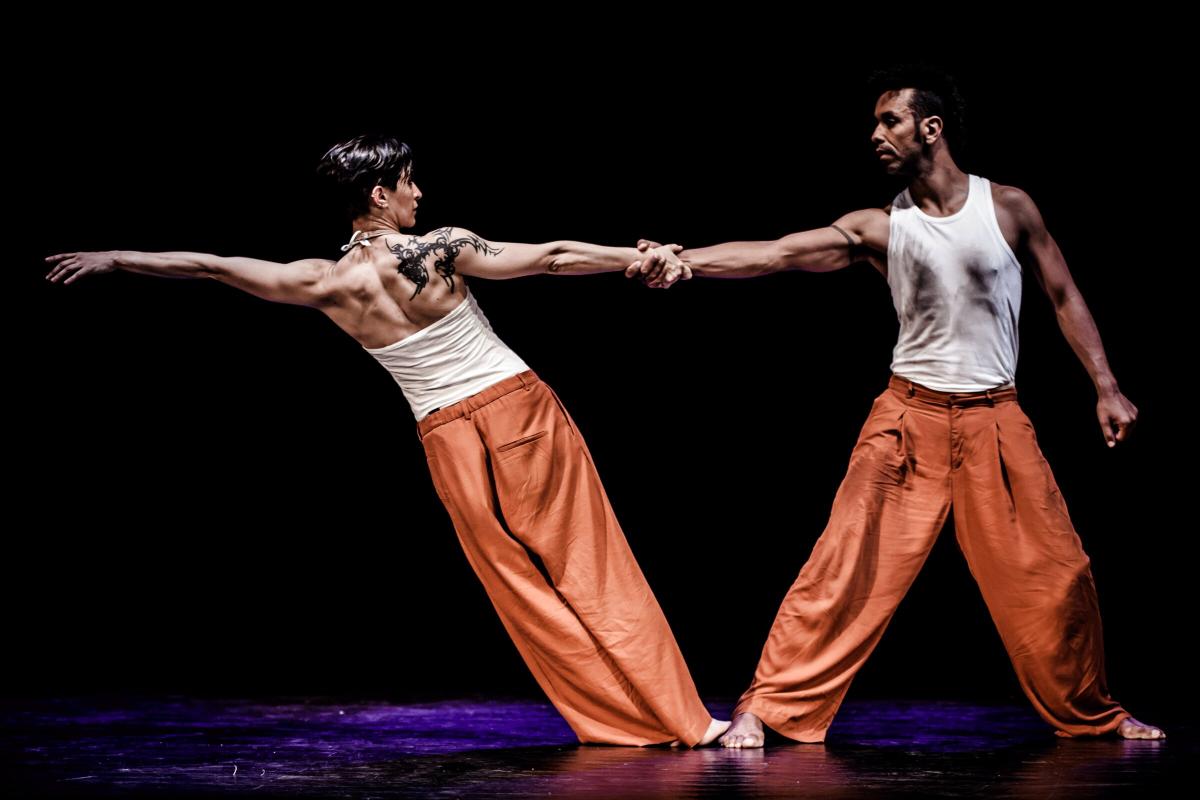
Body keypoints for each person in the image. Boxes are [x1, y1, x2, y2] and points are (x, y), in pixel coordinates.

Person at [45, 134, 727, 747]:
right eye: (409, 182)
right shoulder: (440, 247)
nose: (418, 194)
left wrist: (118, 259)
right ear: (380, 192)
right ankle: (690, 722)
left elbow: (212, 267)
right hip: (519, 414)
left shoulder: (323, 281)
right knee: (589, 562)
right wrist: (636, 259)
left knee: (518, 588)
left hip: (445, 440)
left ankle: (624, 724)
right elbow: (550, 259)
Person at [630, 66, 1162, 746]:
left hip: (994, 418)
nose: (876, 135)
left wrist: (1106, 385)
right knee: (844, 564)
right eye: (875, 124)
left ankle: (1094, 714)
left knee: (1058, 572)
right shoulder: (879, 227)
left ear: (930, 129)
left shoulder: (1008, 208)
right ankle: (769, 705)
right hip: (907, 419)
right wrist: (687, 260)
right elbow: (777, 253)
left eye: (891, 121)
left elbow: (1063, 295)